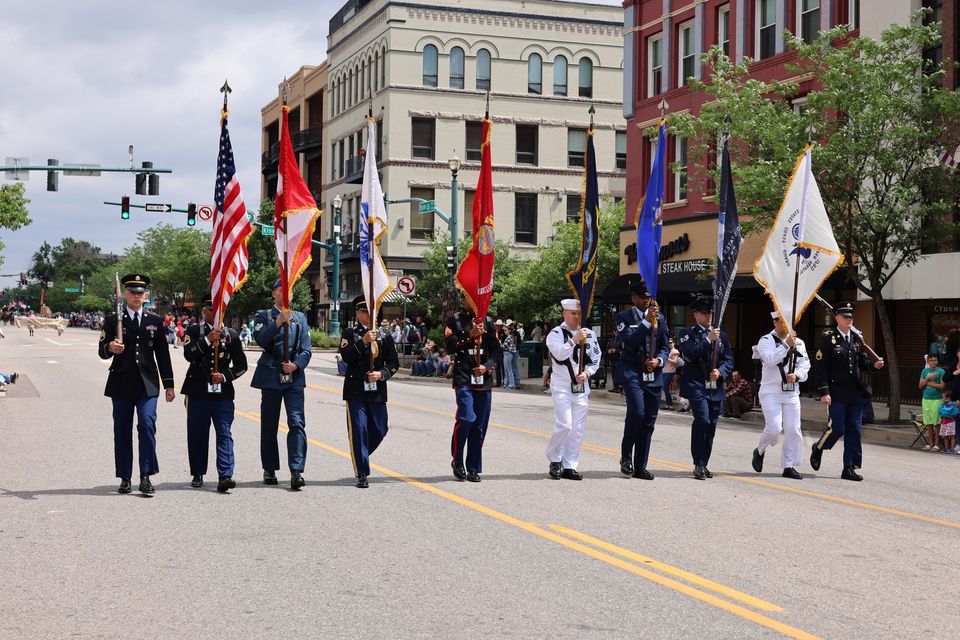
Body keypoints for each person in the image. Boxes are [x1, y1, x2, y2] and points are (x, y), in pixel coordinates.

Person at [98, 274, 175, 494]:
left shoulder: (154, 321)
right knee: (122, 431)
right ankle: (125, 477)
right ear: (125, 295)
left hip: (147, 385)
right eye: (132, 292)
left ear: (146, 296)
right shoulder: (114, 320)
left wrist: (169, 385)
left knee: (147, 426)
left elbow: (163, 354)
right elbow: (102, 350)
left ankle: (145, 476)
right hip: (121, 383)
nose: (136, 296)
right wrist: (110, 348)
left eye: (140, 293)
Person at [810, 301, 885, 481]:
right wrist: (824, 392)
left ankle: (849, 467)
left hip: (855, 392)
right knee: (836, 428)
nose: (849, 319)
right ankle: (819, 447)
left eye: (851, 316)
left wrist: (874, 365)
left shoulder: (857, 339)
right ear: (836, 318)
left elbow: (862, 363)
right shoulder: (828, 338)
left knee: (854, 430)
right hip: (836, 392)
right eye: (845, 316)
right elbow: (821, 367)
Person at [251, 278, 313, 490]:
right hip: (270, 374)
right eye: (281, 291)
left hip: (293, 376)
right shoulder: (264, 315)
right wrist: (277, 322)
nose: (286, 295)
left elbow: (306, 349)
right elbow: (260, 339)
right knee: (270, 424)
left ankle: (296, 470)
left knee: (297, 422)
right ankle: (269, 468)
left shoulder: (300, 318)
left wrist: (296, 365)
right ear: (274, 294)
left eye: (289, 291)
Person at [181, 300, 247, 493]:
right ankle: (198, 472)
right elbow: (188, 354)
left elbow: (241, 366)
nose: (217, 313)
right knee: (197, 434)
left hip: (223, 395)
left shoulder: (232, 335)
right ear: (204, 311)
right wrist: (208, 339)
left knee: (224, 433)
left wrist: (225, 376)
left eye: (221, 309)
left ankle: (225, 475)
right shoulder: (194, 331)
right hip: (198, 391)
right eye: (212, 309)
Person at [339, 295, 399, 488]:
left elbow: (393, 363)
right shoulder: (350, 333)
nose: (367, 315)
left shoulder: (385, 335)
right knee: (359, 430)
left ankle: (360, 453)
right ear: (357, 313)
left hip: (377, 390)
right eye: (364, 311)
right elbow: (346, 357)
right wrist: (363, 341)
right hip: (356, 389)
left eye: (370, 311)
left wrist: (381, 374)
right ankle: (361, 472)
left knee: (380, 429)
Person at [614, 281, 670, 480]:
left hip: (653, 375)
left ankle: (640, 465)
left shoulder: (660, 319)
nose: (646, 301)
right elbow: (630, 342)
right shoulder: (623, 317)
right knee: (637, 413)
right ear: (634, 299)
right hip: (632, 373)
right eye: (642, 298)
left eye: (648, 297)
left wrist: (659, 360)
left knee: (649, 420)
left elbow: (665, 346)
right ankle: (626, 456)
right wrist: (646, 322)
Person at [678, 295, 734, 480]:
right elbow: (691, 354)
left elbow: (729, 360)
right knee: (702, 420)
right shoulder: (688, 333)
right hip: (696, 384)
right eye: (704, 312)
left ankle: (704, 463)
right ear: (695, 315)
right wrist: (708, 340)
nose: (708, 315)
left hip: (714, 386)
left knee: (712, 425)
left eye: (710, 312)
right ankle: (698, 463)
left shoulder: (721, 335)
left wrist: (721, 372)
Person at [445, 297, 502, 482]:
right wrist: (470, 335)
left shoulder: (488, 321)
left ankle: (473, 467)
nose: (475, 301)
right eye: (470, 297)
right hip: (464, 373)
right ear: (463, 299)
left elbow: (496, 351)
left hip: (482, 376)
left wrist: (487, 366)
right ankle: (457, 460)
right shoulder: (455, 319)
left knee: (479, 426)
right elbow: (450, 346)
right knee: (467, 418)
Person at [545, 299, 602, 480]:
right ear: (564, 314)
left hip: (581, 387)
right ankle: (555, 459)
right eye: (572, 313)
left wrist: (587, 373)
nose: (576, 317)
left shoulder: (590, 334)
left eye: (578, 314)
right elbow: (559, 354)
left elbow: (596, 357)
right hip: (562, 385)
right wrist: (573, 340)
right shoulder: (555, 333)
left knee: (577, 428)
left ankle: (569, 465)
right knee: (564, 424)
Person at [751, 312, 810, 480]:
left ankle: (789, 465)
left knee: (793, 429)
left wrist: (797, 375)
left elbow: (805, 365)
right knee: (775, 427)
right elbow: (769, 359)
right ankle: (760, 450)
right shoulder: (766, 340)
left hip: (791, 392)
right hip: (771, 391)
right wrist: (785, 345)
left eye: (788, 322)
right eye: (781, 322)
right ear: (774, 321)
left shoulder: (799, 342)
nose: (785, 326)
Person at [919, 354, 945, 451]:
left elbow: (942, 386)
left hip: (937, 399)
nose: (933, 362)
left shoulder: (941, 371)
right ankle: (930, 443)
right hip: (926, 398)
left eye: (935, 360)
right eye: (931, 360)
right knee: (929, 422)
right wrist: (927, 378)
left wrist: (929, 383)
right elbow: (920, 386)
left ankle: (937, 444)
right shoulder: (925, 371)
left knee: (936, 422)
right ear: (928, 362)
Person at [661, 338, 683, 409]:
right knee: (665, 387)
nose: (669, 344)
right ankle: (669, 404)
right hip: (665, 371)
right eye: (668, 343)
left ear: (673, 343)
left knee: (665, 386)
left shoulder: (675, 351)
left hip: (670, 371)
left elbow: (675, 362)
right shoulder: (667, 351)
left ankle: (670, 404)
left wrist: (667, 358)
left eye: (671, 342)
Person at [501, 324, 520, 389]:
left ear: (509, 330)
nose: (504, 331)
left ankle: (511, 385)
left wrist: (500, 344)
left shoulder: (509, 337)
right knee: (508, 369)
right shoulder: (512, 336)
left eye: (505, 330)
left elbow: (504, 346)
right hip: (510, 353)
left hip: (507, 353)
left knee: (508, 370)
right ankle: (507, 384)